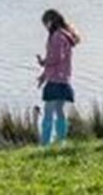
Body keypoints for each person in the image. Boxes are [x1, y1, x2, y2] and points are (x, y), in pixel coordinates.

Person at [35, 9, 80, 145]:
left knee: (48, 112)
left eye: (45, 24)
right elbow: (59, 61)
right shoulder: (65, 36)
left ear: (50, 22)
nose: (45, 27)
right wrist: (43, 76)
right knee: (60, 111)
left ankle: (45, 143)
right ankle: (61, 141)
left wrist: (43, 62)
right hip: (63, 79)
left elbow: (55, 58)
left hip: (55, 80)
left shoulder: (56, 37)